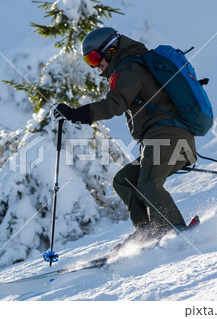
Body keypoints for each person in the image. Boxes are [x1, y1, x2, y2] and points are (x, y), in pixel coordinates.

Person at [53, 27, 197, 240]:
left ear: (110, 50)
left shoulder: (130, 67)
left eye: (94, 58)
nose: (95, 66)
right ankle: (147, 232)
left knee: (148, 185)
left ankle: (174, 232)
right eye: (89, 62)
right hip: (162, 139)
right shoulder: (129, 66)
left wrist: (76, 114)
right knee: (124, 180)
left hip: (170, 137)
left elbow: (114, 105)